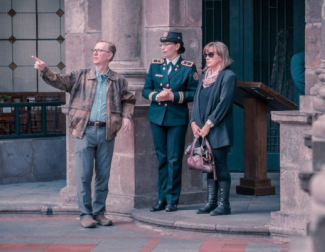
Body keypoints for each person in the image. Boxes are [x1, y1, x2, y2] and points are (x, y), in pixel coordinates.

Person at [31, 39, 136, 228]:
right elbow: (59, 81)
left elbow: (128, 99)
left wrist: (127, 116)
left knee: (103, 175)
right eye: (94, 50)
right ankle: (85, 214)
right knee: (84, 174)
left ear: (109, 55)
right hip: (85, 131)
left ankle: (99, 213)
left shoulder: (118, 80)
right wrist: (45, 69)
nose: (95, 53)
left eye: (99, 50)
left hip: (107, 132)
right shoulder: (80, 76)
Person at [143, 31, 199, 212]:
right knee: (162, 159)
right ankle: (161, 199)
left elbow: (194, 92)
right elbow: (146, 90)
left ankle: (172, 199)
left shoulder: (188, 67)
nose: (163, 48)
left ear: (177, 46)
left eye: (167, 44)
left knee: (174, 159)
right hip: (157, 117)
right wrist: (156, 96)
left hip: (176, 118)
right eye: (162, 45)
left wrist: (174, 96)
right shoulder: (155, 65)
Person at [191, 41, 236, 216]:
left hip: (218, 129)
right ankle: (211, 203)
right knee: (209, 166)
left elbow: (224, 104)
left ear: (221, 56)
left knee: (220, 166)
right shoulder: (204, 76)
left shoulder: (228, 76)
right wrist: (194, 123)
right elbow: (196, 101)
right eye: (206, 54)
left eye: (211, 54)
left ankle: (224, 204)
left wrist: (208, 124)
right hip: (202, 129)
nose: (207, 58)